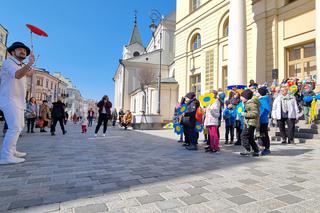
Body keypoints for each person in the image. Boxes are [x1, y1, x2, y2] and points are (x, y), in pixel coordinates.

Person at [0, 42, 35, 164]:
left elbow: (24, 73)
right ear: (12, 52)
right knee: (14, 127)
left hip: (18, 100)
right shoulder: (8, 62)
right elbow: (17, 75)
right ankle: (5, 156)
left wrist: (29, 70)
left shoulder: (19, 65)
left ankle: (12, 150)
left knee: (19, 126)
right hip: (9, 99)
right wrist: (29, 64)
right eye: (19, 49)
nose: (23, 51)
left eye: (24, 50)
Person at [240, 89, 260, 157]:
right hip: (249, 123)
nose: (240, 98)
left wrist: (244, 114)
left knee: (243, 135)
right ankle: (256, 150)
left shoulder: (251, 103)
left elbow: (255, 113)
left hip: (251, 123)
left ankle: (248, 150)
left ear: (246, 97)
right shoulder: (247, 103)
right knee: (250, 137)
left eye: (242, 96)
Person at [257, 87, 271, 155]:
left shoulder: (263, 100)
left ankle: (265, 148)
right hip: (263, 119)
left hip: (262, 120)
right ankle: (263, 147)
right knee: (262, 134)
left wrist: (259, 115)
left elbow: (265, 109)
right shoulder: (264, 99)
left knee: (263, 134)